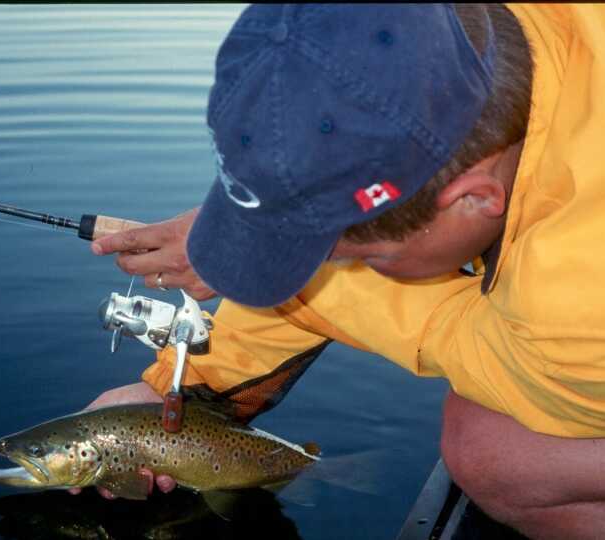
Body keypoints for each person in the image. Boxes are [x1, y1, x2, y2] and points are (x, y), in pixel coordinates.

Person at [78, 4, 605, 539]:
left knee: (492, 456)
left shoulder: (577, 303)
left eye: (364, 258)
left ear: (473, 199)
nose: (345, 267)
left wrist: (297, 273)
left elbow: (482, 343)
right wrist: (186, 385)